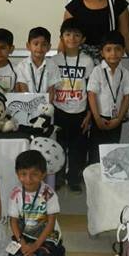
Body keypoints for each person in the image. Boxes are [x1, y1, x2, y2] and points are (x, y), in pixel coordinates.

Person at [7, 150, 65, 256]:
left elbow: (51, 223)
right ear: (17, 174)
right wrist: (22, 243)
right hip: (25, 235)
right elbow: (13, 221)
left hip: (46, 236)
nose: (28, 179)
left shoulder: (49, 194)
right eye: (23, 174)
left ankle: (55, 250)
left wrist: (35, 246)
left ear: (43, 174)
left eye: (34, 174)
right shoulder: (15, 194)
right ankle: (33, 254)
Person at [53, 19, 93, 192]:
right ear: (61, 37)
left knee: (78, 148)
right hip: (59, 110)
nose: (72, 38)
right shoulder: (54, 60)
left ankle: (74, 178)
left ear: (83, 39)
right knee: (59, 146)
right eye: (68, 34)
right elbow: (50, 87)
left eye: (77, 35)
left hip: (80, 111)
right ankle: (59, 177)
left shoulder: (87, 61)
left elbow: (91, 89)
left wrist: (89, 113)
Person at [87, 33, 129, 164]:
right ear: (102, 52)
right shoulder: (97, 71)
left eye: (118, 49)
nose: (113, 53)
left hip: (116, 120)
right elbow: (91, 95)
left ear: (123, 51)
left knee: (112, 153)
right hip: (99, 119)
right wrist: (97, 119)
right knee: (95, 154)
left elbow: (127, 96)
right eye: (108, 49)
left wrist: (119, 119)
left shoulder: (125, 73)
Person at [16, 27, 59, 100]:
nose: (39, 48)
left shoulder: (52, 66)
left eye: (44, 44)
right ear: (28, 46)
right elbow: (23, 90)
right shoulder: (22, 66)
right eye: (36, 44)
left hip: (46, 105)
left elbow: (51, 91)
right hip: (27, 104)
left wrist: (46, 105)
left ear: (49, 47)